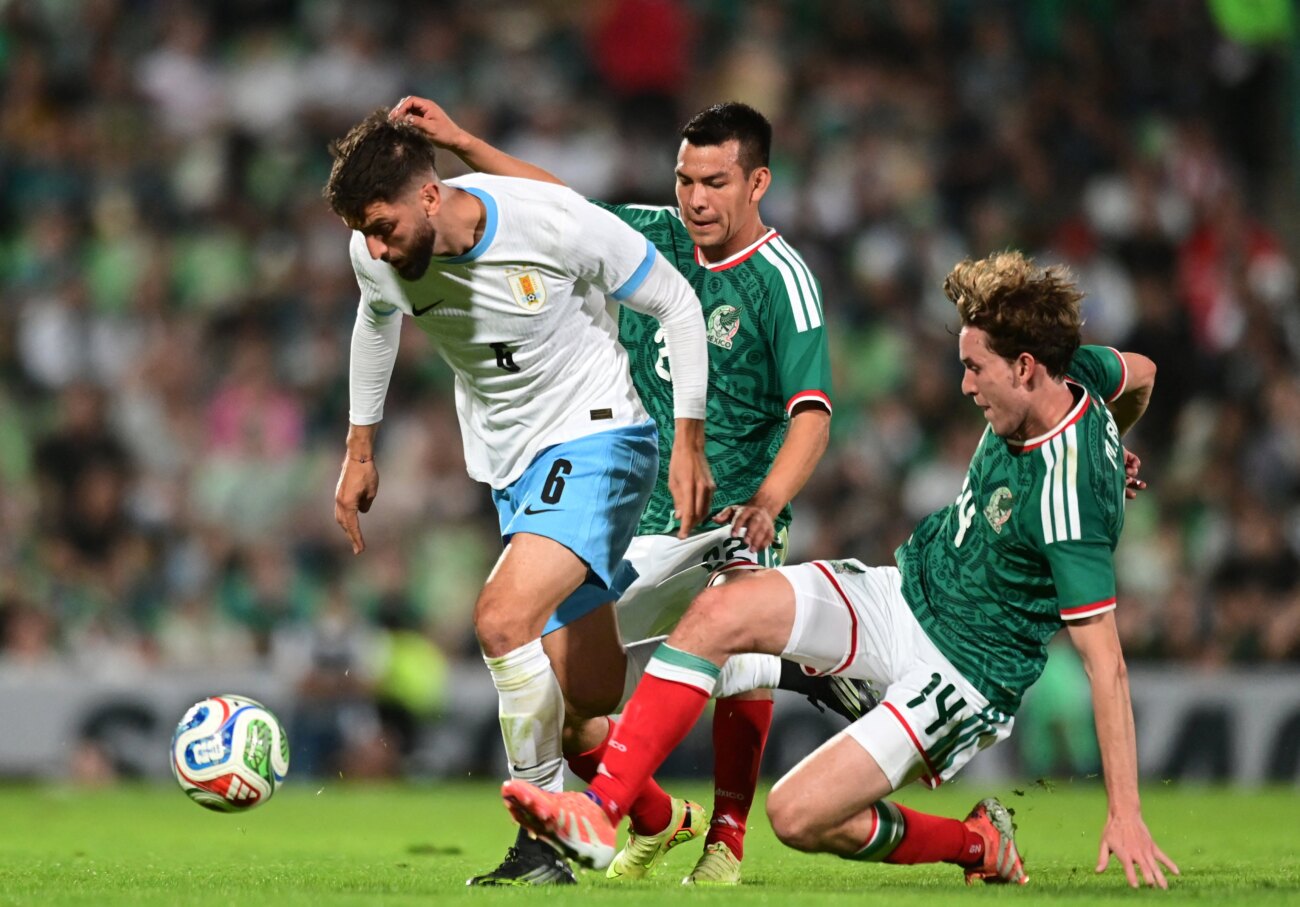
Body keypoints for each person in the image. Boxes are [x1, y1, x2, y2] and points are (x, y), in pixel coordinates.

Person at [499, 251, 1183, 890]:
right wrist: (1113, 439)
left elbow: (1107, 665)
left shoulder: (1068, 506)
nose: (966, 385)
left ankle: (977, 843)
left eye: (977, 368)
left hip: (964, 672)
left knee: (798, 815)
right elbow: (1146, 368)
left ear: (1028, 367)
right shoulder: (1081, 374)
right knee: (719, 606)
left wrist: (1124, 809)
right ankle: (599, 807)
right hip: (904, 592)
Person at [392, 96, 854, 885]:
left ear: (758, 183)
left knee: (737, 645)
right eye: (685, 179)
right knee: (570, 698)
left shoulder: (783, 280)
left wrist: (770, 501)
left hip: (737, 519)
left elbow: (811, 415)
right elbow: (549, 206)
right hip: (634, 514)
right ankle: (661, 817)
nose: (696, 199)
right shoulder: (659, 235)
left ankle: (726, 845)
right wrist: (464, 142)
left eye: (715, 181)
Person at [323, 108, 718, 883]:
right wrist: (359, 446)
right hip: (511, 465)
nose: (374, 247)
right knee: (584, 711)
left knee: (503, 620)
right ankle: (663, 813)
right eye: (363, 233)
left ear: (431, 197)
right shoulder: (376, 258)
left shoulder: (547, 222)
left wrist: (689, 440)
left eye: (382, 226)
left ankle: (540, 850)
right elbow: (375, 322)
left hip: (600, 434)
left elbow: (674, 301)